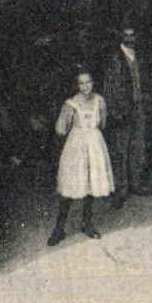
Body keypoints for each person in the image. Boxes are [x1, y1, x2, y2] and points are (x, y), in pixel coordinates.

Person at [47, 68, 114, 244]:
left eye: (88, 82)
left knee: (91, 184)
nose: (86, 86)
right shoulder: (71, 104)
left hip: (95, 145)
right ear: (77, 85)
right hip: (76, 147)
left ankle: (87, 223)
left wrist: (92, 134)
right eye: (81, 83)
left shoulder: (99, 101)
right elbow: (60, 129)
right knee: (71, 186)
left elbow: (103, 123)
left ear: (93, 82)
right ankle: (59, 229)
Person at [102, 18, 152, 207]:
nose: (130, 39)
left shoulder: (139, 56)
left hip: (139, 108)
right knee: (120, 151)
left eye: (133, 35)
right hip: (122, 110)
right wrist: (114, 110)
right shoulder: (115, 59)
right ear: (121, 37)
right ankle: (120, 189)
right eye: (127, 35)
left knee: (137, 147)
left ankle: (136, 184)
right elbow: (110, 88)